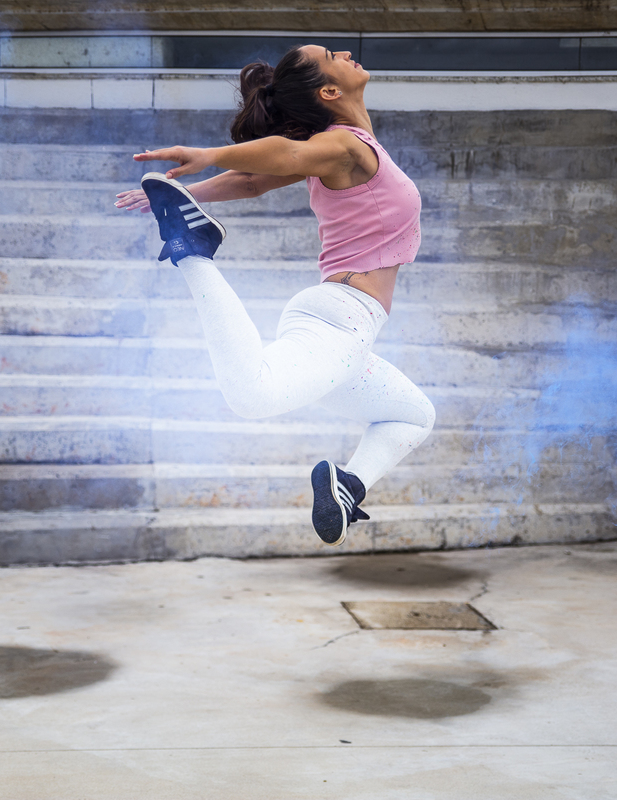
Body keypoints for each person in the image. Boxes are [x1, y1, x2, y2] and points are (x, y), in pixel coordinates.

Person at [115, 44, 435, 547]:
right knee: (252, 397)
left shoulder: (348, 151)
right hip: (341, 322)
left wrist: (192, 192)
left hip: (346, 331)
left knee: (413, 414)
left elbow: (250, 183)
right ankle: (193, 253)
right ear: (329, 91)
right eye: (333, 54)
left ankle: (348, 486)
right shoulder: (345, 146)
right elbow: (283, 155)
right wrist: (207, 158)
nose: (347, 51)